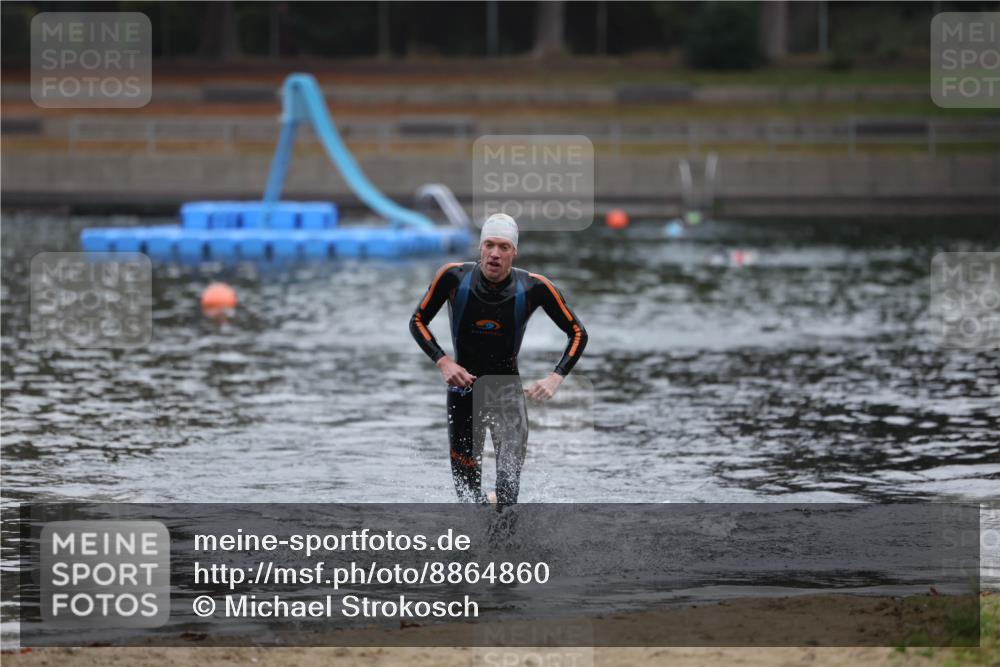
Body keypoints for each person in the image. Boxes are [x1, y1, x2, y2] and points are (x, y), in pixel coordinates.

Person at [409, 213, 588, 506]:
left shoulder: (534, 286)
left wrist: (556, 377)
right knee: (467, 495)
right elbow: (417, 320)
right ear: (480, 247)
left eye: (503, 247)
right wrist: (443, 362)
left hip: (506, 394)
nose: (495, 253)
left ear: (514, 252)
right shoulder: (453, 277)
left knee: (507, 492)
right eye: (489, 245)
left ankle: (506, 544)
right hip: (462, 393)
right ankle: (473, 548)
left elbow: (578, 332)